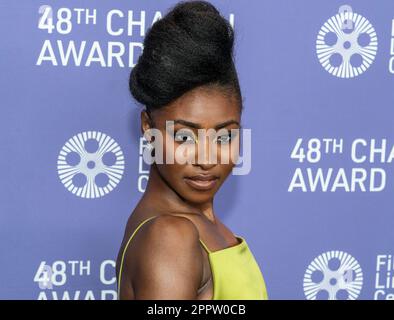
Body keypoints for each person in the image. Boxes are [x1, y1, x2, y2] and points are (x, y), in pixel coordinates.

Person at [116, 0, 268, 300]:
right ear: (148, 127)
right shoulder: (171, 238)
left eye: (225, 137)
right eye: (185, 137)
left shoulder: (200, 226)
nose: (207, 158)